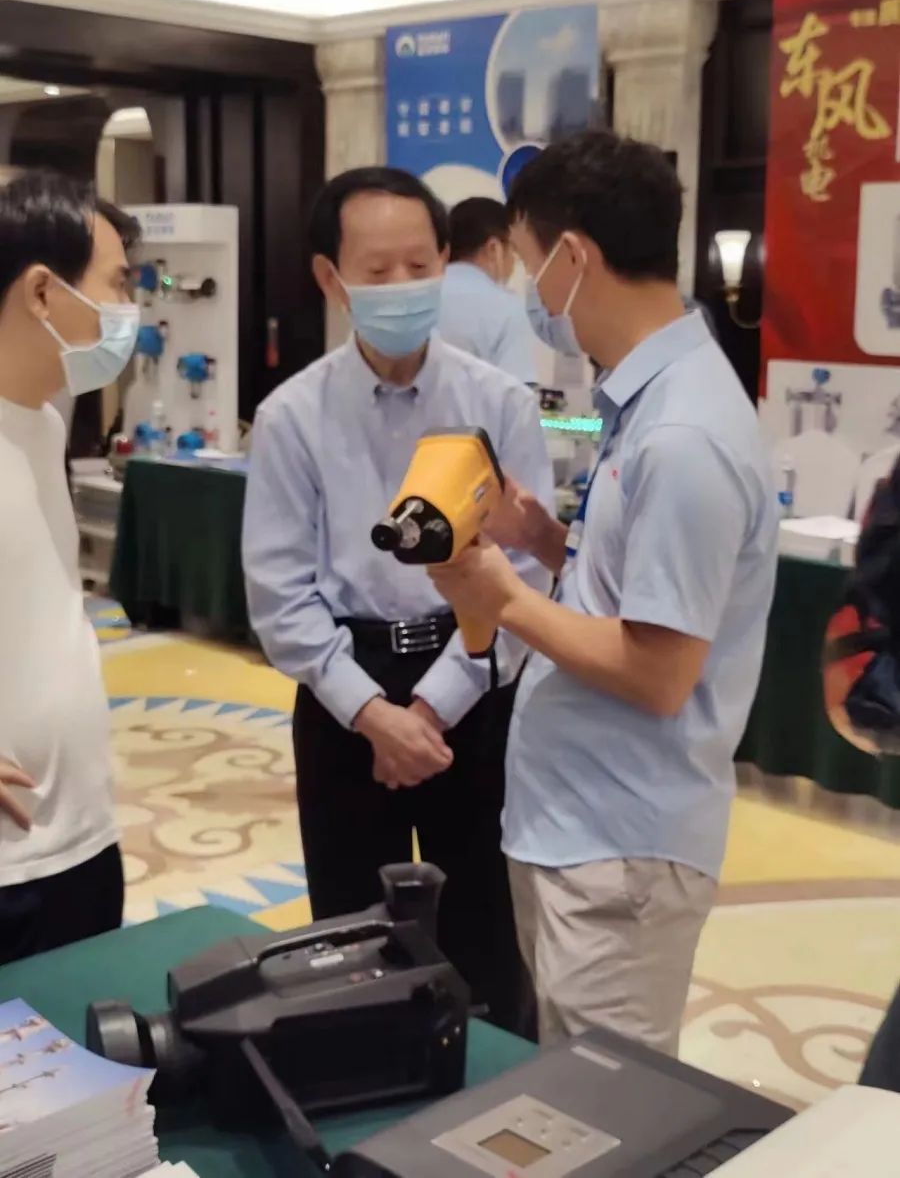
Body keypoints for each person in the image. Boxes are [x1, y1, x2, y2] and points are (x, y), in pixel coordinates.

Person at [429, 129, 778, 1056]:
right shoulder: (651, 404)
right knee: (570, 1087)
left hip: (619, 844)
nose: (534, 298)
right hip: (579, 824)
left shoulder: (683, 435)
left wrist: (505, 598)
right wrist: (545, 541)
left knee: (610, 1104)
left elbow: (661, 671)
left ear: (576, 258)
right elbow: (635, 597)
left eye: (532, 267)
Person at [242, 166, 554, 1035]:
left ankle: (490, 1091)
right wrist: (375, 714)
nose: (401, 286)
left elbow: (526, 575)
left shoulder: (499, 402)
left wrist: (433, 706)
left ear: (447, 261)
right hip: (346, 693)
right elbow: (279, 594)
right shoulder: (291, 417)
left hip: (473, 680)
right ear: (330, 277)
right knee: (351, 944)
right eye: (376, 271)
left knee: (486, 933)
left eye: (419, 265)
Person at [0, 172, 140, 964]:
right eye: (116, 284)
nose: (127, 309)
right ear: (43, 293)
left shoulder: (45, 426)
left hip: (82, 836)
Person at [438, 196, 538, 385]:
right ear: (494, 248)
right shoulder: (506, 307)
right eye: (513, 251)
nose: (513, 263)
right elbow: (517, 393)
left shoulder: (423, 293)